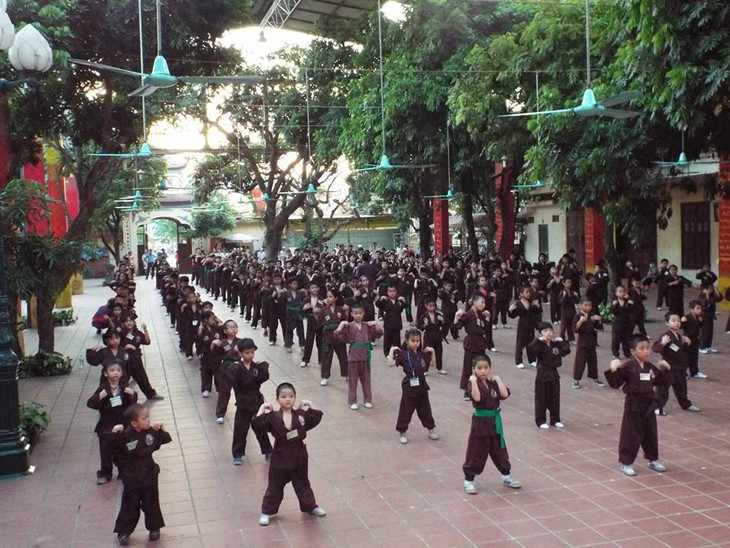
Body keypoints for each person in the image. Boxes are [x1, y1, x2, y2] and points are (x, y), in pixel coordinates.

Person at [252, 383, 326, 526]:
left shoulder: (300, 415)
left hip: (298, 456)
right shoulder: (273, 416)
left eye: (291, 396)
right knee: (275, 486)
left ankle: (310, 506)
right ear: (277, 399)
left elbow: (315, 419)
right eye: (284, 397)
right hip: (280, 456)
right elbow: (257, 425)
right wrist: (262, 408)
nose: (288, 399)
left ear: (295, 398)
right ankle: (267, 511)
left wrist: (310, 404)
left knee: (303, 483)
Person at [604, 335, 671, 476]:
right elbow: (615, 383)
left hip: (648, 406)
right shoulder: (628, 367)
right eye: (642, 349)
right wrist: (613, 369)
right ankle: (626, 463)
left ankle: (653, 459)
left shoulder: (650, 368)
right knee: (630, 434)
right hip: (633, 405)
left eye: (647, 348)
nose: (646, 351)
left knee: (651, 434)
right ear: (633, 351)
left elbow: (662, 382)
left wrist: (664, 369)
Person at [111, 403, 172, 545]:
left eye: (148, 417)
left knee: (151, 502)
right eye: (144, 418)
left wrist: (161, 429)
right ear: (134, 423)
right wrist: (115, 432)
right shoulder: (125, 436)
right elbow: (115, 451)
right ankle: (124, 531)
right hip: (132, 477)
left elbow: (163, 440)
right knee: (130, 504)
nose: (148, 420)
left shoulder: (150, 433)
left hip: (149, 474)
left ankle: (154, 528)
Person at [461, 354, 521, 494]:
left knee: (499, 450)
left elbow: (504, 394)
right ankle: (469, 480)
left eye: (486, 368)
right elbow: (477, 397)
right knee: (476, 451)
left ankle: (506, 475)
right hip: (480, 423)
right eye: (479, 368)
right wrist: (473, 381)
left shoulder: (492, 383)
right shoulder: (472, 383)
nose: (483, 371)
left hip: (494, 422)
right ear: (474, 369)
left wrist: (498, 379)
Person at [86, 359, 138, 485]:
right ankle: (105, 473)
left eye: (118, 370)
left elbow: (131, 406)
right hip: (106, 425)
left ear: (122, 374)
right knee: (105, 451)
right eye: (112, 370)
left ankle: (123, 471)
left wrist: (133, 395)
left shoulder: (124, 389)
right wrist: (99, 397)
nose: (115, 373)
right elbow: (91, 404)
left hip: (121, 424)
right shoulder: (103, 389)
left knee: (121, 450)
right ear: (105, 373)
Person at [225, 338, 273, 465]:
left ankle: (268, 451)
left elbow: (263, 378)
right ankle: (237, 454)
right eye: (247, 353)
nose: (250, 355)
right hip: (242, 404)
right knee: (240, 429)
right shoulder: (235, 368)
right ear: (240, 353)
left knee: (260, 428)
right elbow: (232, 379)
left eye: (252, 352)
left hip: (256, 402)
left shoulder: (257, 367)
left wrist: (262, 368)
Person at [387, 329, 439, 444]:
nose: (415, 343)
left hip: (421, 385)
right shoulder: (403, 355)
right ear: (407, 341)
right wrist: (391, 351)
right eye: (412, 341)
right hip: (409, 386)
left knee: (425, 409)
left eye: (417, 341)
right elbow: (390, 363)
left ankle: (431, 429)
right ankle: (402, 432)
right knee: (406, 409)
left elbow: (433, 364)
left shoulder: (423, 355)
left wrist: (433, 351)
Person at [333, 303, 383, 410]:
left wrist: (376, 324)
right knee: (353, 381)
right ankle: (352, 401)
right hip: (353, 358)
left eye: (360, 313)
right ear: (351, 314)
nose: (358, 315)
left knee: (366, 380)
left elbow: (378, 334)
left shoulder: (368, 326)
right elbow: (338, 337)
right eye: (355, 313)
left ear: (363, 314)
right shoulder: (349, 326)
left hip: (365, 357)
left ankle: (367, 400)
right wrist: (340, 325)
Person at [652, 313, 700, 415]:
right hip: (668, 367)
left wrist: (685, 340)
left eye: (678, 321)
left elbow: (679, 350)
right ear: (667, 324)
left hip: (679, 368)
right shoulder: (665, 336)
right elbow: (655, 348)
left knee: (682, 388)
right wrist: (663, 343)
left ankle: (686, 404)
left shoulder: (678, 336)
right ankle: (657, 406)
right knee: (662, 389)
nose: (677, 323)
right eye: (673, 321)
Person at [528, 322, 571, 429]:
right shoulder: (539, 344)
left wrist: (562, 341)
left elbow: (566, 351)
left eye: (550, 331)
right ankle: (541, 420)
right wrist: (538, 340)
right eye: (545, 331)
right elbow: (530, 349)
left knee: (555, 398)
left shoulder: (555, 344)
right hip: (543, 373)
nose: (548, 333)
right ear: (540, 333)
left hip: (554, 374)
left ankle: (555, 419)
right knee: (541, 398)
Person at [455, 294, 493, 400]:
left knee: (482, 366)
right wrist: (456, 316)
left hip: (480, 343)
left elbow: (486, 328)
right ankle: (467, 390)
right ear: (475, 302)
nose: (483, 305)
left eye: (484, 302)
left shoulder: (481, 315)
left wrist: (488, 317)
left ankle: (482, 387)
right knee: (468, 367)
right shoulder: (467, 314)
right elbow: (457, 326)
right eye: (482, 302)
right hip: (471, 343)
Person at [571, 299, 604, 389]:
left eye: (590, 305)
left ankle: (595, 378)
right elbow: (575, 329)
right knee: (580, 362)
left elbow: (598, 327)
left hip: (592, 342)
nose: (588, 307)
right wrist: (581, 321)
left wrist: (599, 320)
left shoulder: (592, 315)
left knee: (593, 361)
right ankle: (576, 380)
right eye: (586, 305)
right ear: (581, 305)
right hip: (582, 342)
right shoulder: (578, 315)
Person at [508, 285, 541, 369]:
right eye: (526, 292)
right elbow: (512, 315)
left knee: (531, 343)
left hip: (530, 325)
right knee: (520, 344)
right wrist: (510, 310)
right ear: (521, 294)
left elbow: (536, 314)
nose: (529, 293)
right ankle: (518, 361)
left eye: (529, 292)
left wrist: (537, 307)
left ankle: (532, 360)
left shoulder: (531, 302)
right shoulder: (518, 304)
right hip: (522, 325)